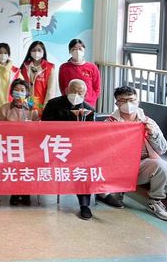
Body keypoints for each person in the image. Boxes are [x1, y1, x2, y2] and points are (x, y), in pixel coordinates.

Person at [101, 86, 167, 220]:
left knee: (161, 166)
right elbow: (100, 152)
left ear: (137, 101)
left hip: (141, 164)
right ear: (117, 103)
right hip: (117, 167)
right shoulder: (108, 124)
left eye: (131, 100)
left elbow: (162, 149)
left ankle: (155, 201)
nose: (128, 104)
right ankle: (116, 189)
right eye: (123, 100)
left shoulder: (148, 122)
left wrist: (152, 135)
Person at [42, 79, 95, 220]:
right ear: (66, 90)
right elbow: (44, 125)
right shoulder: (53, 104)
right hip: (54, 146)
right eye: (73, 91)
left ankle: (84, 205)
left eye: (80, 92)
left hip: (77, 150)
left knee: (84, 168)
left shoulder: (89, 109)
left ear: (85, 94)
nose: (76, 95)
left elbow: (92, 133)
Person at [0, 78, 39, 206]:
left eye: (22, 90)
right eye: (16, 90)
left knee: (29, 164)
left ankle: (26, 192)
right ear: (11, 92)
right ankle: (14, 193)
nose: (19, 92)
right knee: (13, 164)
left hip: (29, 146)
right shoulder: (3, 109)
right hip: (9, 146)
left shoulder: (33, 109)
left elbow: (39, 129)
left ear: (26, 93)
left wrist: (32, 126)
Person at [58, 39, 101, 107]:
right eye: (74, 49)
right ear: (70, 51)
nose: (77, 51)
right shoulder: (64, 67)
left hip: (88, 103)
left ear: (84, 50)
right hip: (69, 103)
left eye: (80, 49)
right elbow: (62, 87)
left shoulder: (92, 67)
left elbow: (97, 87)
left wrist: (92, 100)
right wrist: (68, 99)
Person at [20, 41, 56, 114]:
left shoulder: (49, 67)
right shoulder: (24, 66)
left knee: (39, 119)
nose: (36, 52)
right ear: (30, 52)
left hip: (41, 104)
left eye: (39, 50)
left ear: (43, 52)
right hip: (26, 103)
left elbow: (51, 90)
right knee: (27, 119)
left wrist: (46, 107)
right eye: (34, 50)